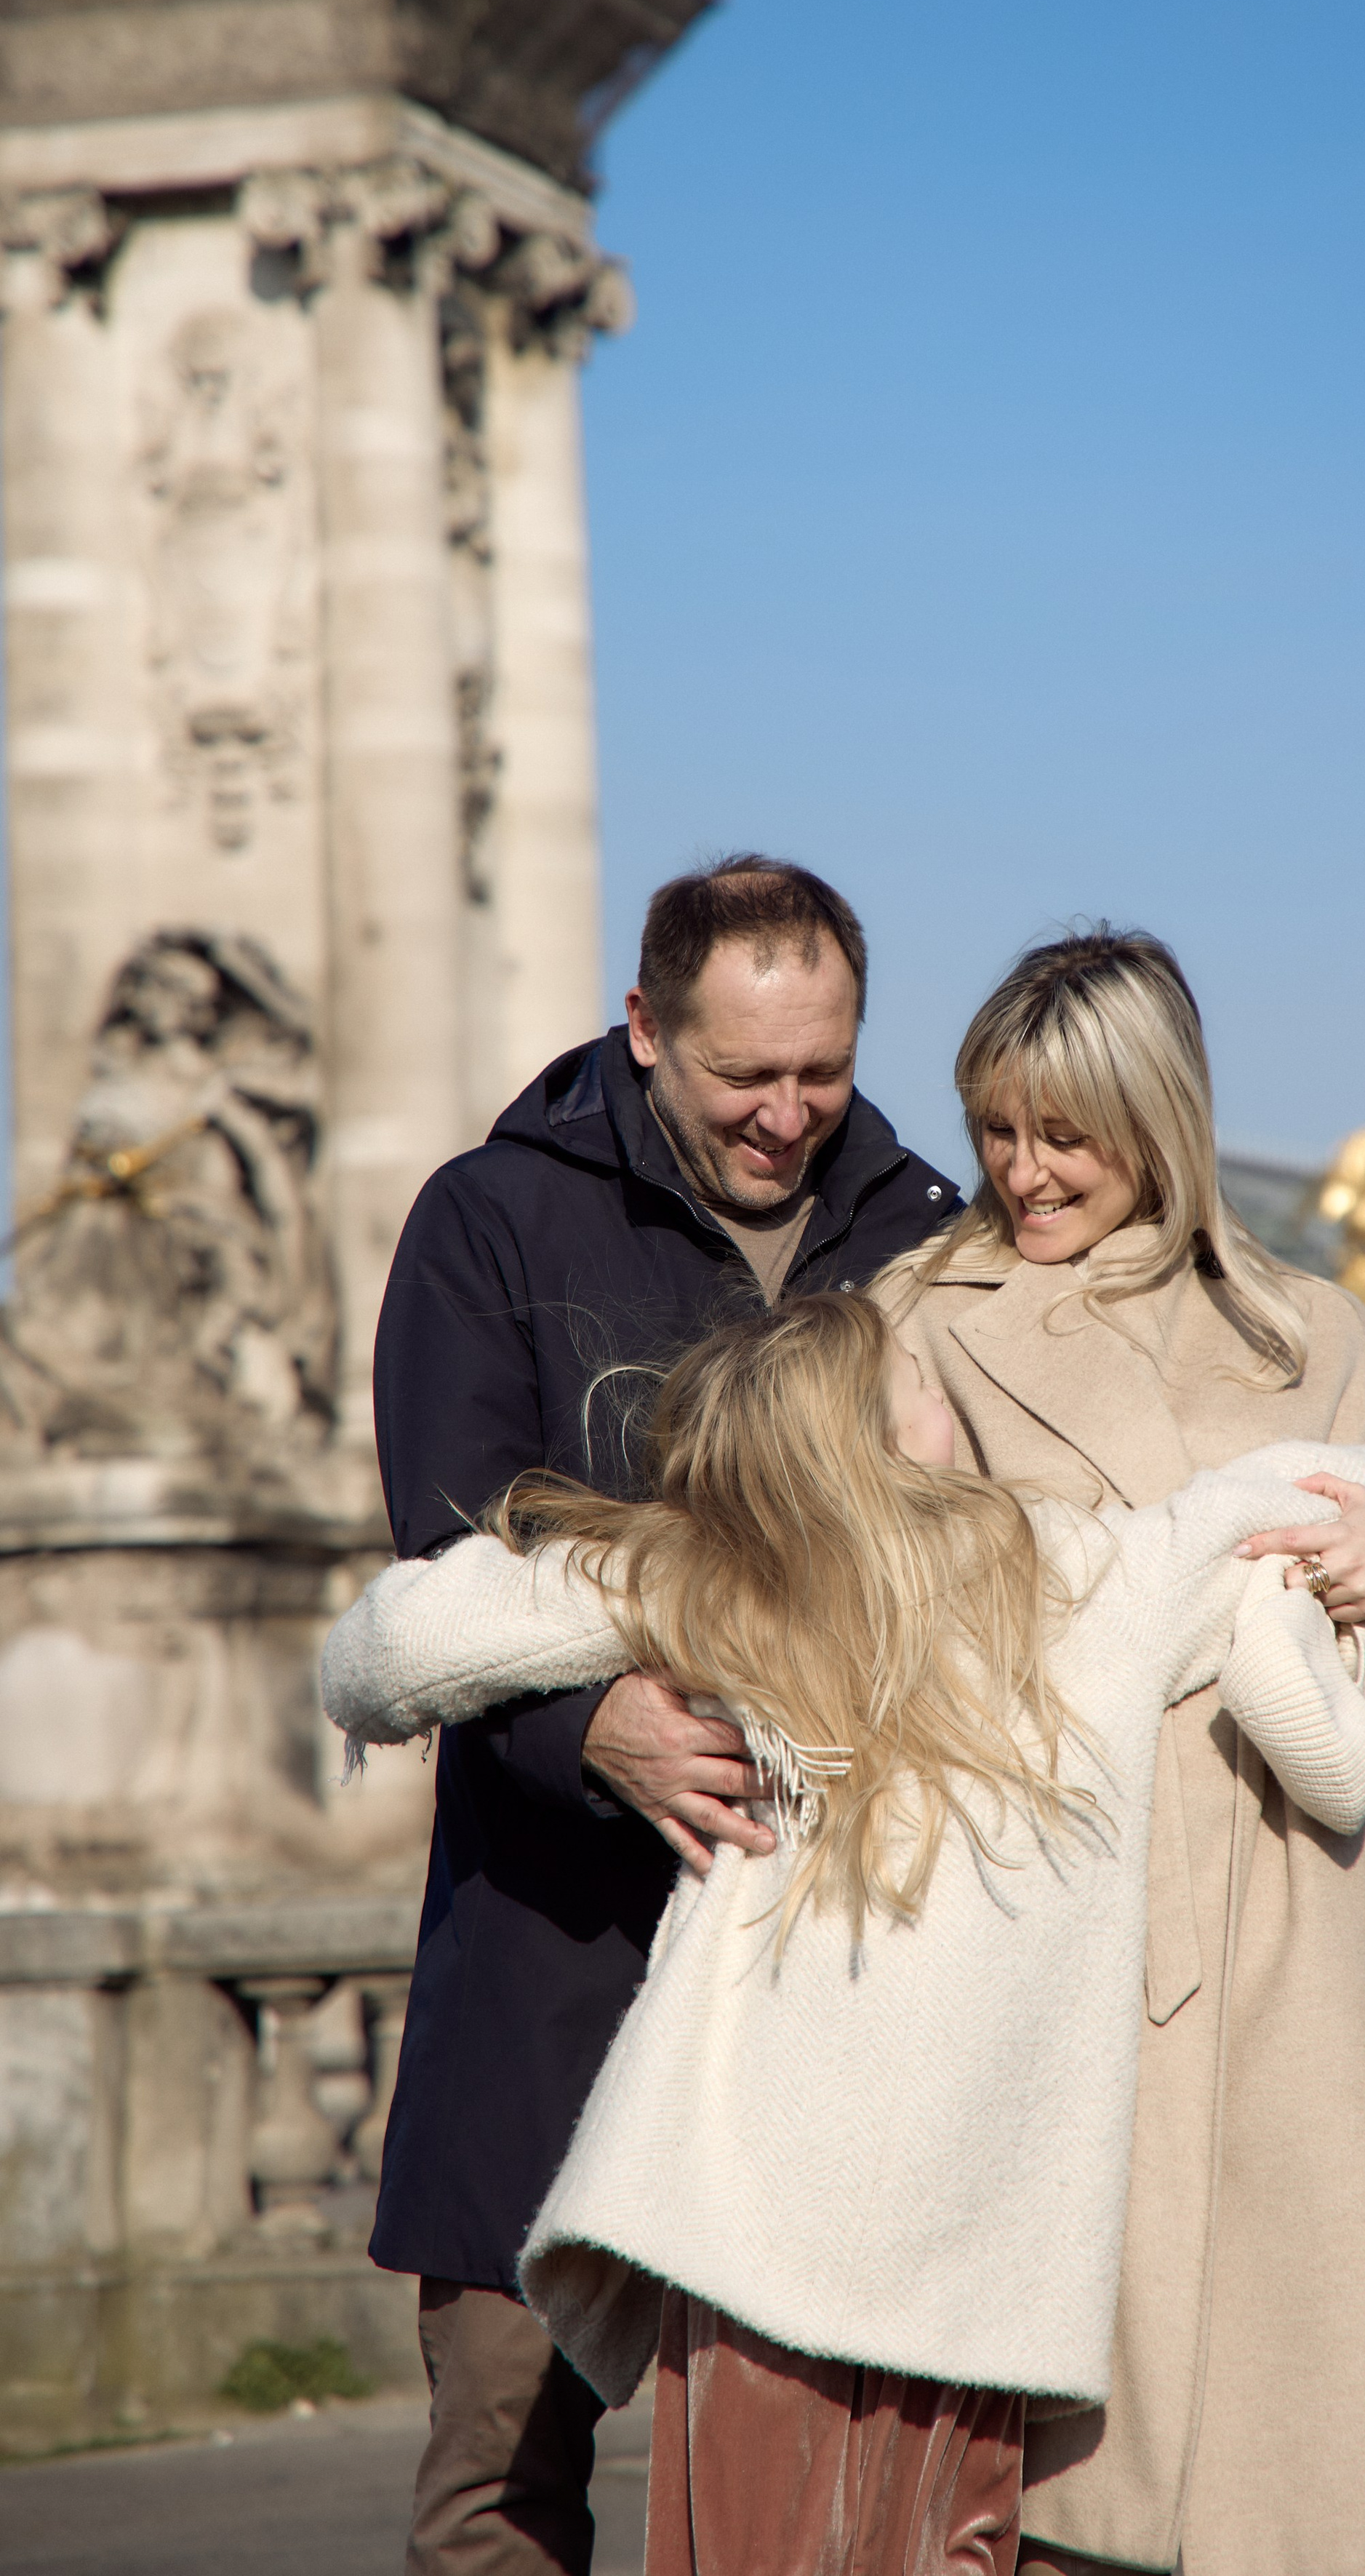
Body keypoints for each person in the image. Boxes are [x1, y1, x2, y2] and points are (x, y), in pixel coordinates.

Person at [327, 1291, 1365, 2576]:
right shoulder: (1072, 1576)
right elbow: (1285, 1498)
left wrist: (576, 1680)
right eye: (920, 1382)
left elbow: (390, 1647)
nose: (950, 1394)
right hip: (985, 2248)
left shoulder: (713, 1577)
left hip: (754, 2211)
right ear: (892, 1440)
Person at [879, 927, 1365, 2576]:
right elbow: (872, 1601)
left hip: (1294, 1929)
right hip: (1067, 1908)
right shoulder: (921, 1319)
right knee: (1082, 2446)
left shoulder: (1314, 1329)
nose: (1021, 1173)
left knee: (1304, 2429)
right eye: (996, 1130)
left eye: (1063, 1135)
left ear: (1156, 1124)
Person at [367, 856, 959, 2576]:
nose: (787, 1118)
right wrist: (590, 1732)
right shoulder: (491, 1218)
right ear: (644, 1031)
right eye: (742, 1076)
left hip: (837, 1970)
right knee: (500, 2480)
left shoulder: (929, 1235)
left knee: (829, 2496)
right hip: (560, 1950)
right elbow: (449, 1571)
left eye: (822, 1072)